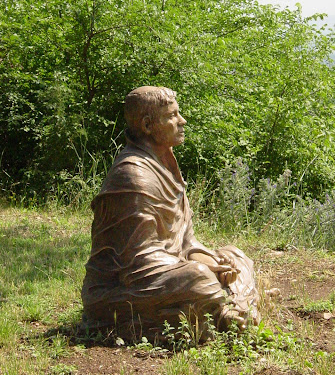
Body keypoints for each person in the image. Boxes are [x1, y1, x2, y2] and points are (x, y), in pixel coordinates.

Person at [81, 86, 259, 341]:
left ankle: (228, 309)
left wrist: (214, 263)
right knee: (199, 278)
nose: (182, 121)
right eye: (172, 115)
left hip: (169, 270)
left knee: (236, 257)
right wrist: (199, 268)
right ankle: (236, 307)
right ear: (147, 125)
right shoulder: (131, 175)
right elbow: (138, 262)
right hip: (119, 288)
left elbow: (186, 242)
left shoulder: (166, 166)